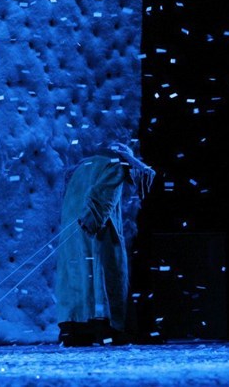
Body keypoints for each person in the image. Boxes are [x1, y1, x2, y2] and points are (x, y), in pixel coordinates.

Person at [55, 143, 153, 346]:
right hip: (94, 229)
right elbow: (103, 197)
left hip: (72, 230)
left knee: (76, 276)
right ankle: (104, 328)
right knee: (101, 274)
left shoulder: (81, 168)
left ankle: (75, 328)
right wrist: (91, 220)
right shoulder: (114, 165)